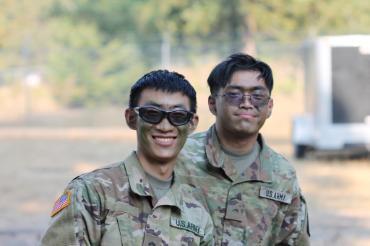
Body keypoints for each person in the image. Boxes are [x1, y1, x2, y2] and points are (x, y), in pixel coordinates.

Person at [40, 70, 214, 245]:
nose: (165, 126)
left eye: (178, 116)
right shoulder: (90, 193)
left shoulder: (197, 213)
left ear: (192, 124)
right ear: (131, 118)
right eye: (152, 114)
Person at [178, 53, 310, 245]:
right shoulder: (180, 157)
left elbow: (293, 239)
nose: (247, 103)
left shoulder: (282, 174)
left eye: (257, 96)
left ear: (270, 106)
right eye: (234, 95)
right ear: (212, 104)